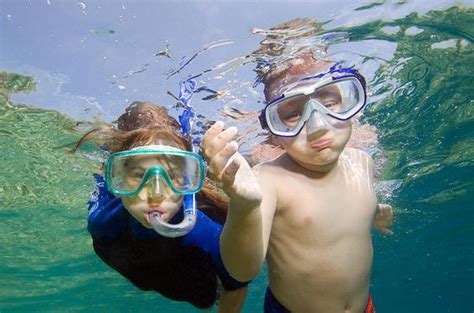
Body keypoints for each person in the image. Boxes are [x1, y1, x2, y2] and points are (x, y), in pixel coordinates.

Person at [201, 19, 393, 313]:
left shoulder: (362, 162)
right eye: (292, 114)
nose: (317, 127)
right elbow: (242, 271)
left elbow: (345, 214)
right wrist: (244, 206)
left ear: (349, 101)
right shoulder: (269, 179)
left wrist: (374, 213)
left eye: (329, 101)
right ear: (273, 129)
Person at [74, 101, 248, 312]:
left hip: (191, 281)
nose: (156, 194)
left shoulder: (205, 233)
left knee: (204, 299)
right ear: (116, 177)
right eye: (139, 175)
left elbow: (237, 285)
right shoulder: (103, 222)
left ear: (188, 179)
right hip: (145, 269)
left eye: (173, 176)